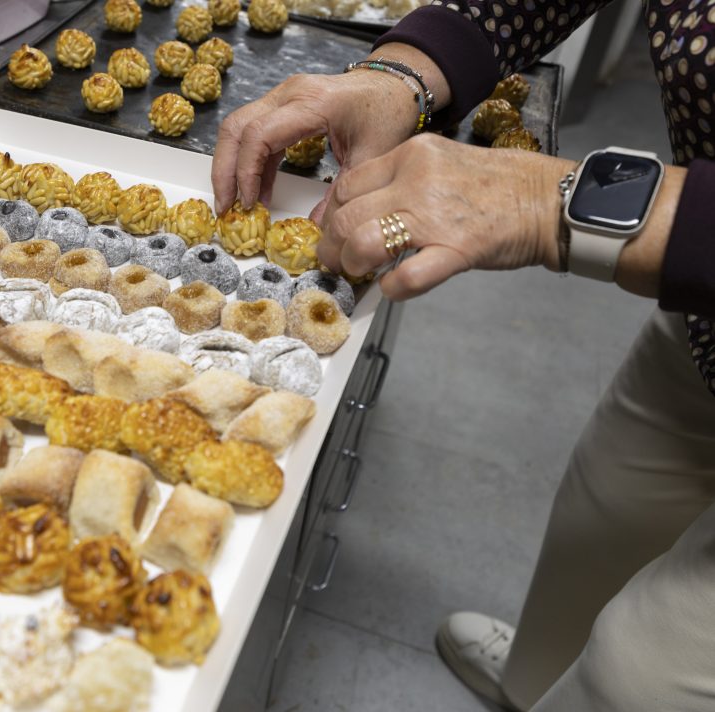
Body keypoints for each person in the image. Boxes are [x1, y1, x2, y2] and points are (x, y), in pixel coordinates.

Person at [212, 2, 715, 711]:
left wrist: (551, 197)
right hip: (703, 318)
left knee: (639, 674)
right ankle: (530, 686)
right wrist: (404, 73)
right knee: (603, 515)